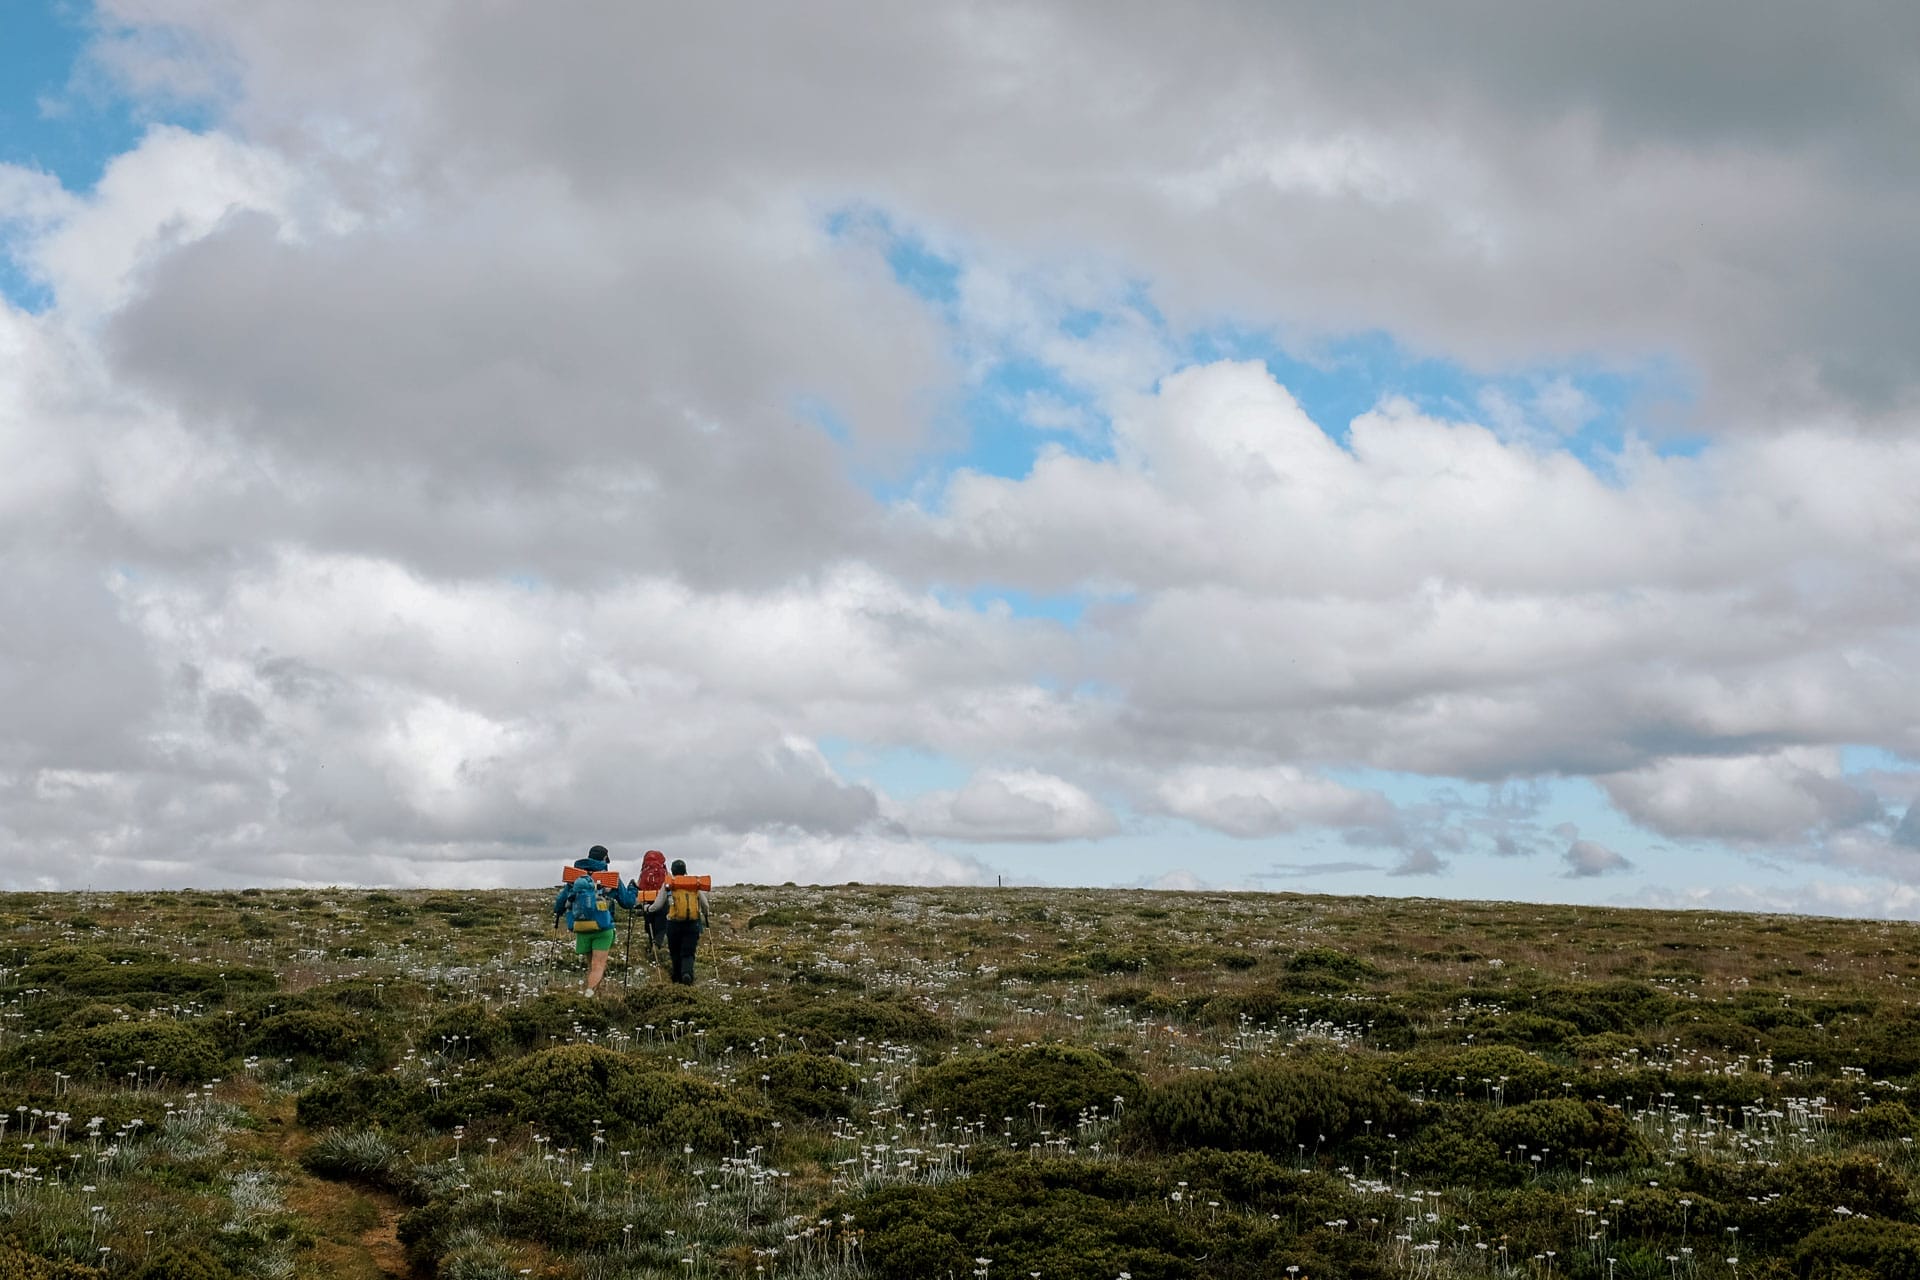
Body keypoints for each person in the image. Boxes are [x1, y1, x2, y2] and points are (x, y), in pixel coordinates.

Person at [552, 844, 639, 996]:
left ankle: (594, 997)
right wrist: (633, 888)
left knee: (591, 965)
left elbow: (560, 903)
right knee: (598, 965)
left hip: (581, 927)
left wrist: (559, 912)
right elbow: (628, 903)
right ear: (605, 859)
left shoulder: (576, 878)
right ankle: (590, 995)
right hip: (603, 927)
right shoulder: (611, 878)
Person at [645, 858, 711, 985]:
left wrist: (648, 908)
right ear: (685, 871)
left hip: (673, 924)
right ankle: (687, 974)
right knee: (688, 952)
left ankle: (676, 977)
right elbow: (704, 904)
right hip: (692, 924)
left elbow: (658, 905)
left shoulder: (669, 884)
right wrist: (706, 915)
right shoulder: (694, 884)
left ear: (672, 871)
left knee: (674, 951)